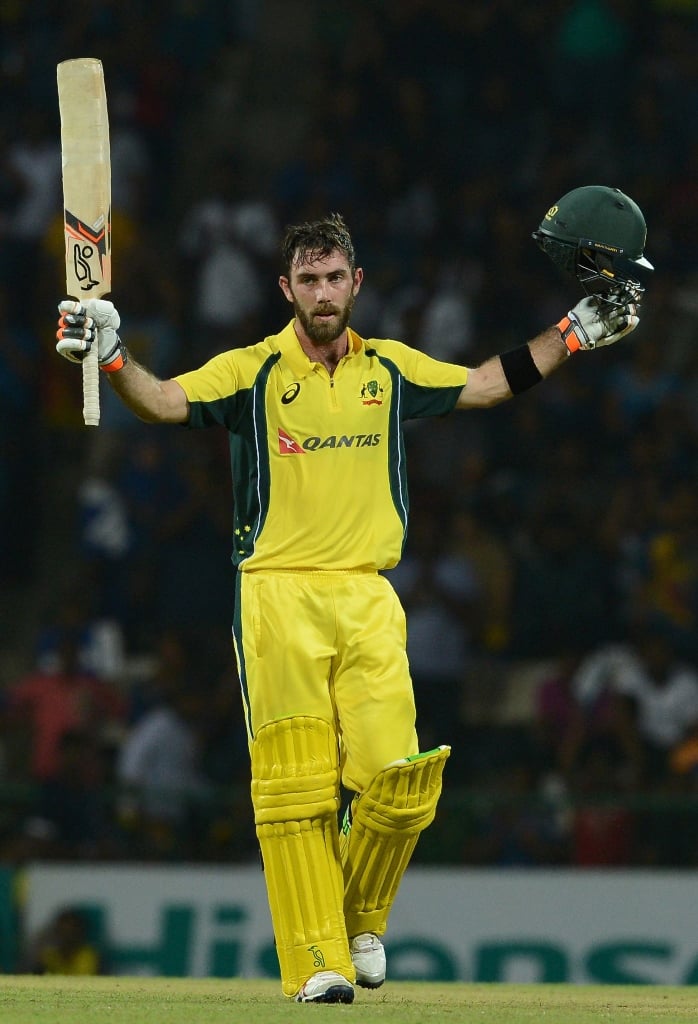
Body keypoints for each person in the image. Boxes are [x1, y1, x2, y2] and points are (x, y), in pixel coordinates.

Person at [54, 187, 649, 1004]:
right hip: (276, 597)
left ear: (356, 281)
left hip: (369, 595)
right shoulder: (253, 370)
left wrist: (574, 332)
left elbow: (486, 383)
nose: (324, 292)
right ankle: (317, 962)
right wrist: (113, 354)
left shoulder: (391, 368)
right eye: (309, 279)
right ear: (286, 290)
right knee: (295, 791)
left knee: (398, 780)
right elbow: (163, 401)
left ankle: (360, 914)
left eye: (335, 276)